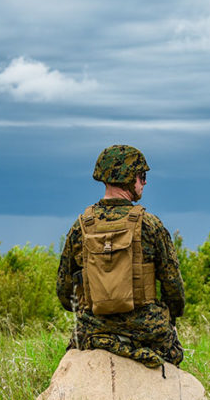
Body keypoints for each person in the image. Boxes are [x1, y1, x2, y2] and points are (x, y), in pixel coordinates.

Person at [56, 145, 185, 368]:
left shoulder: (81, 226)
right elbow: (174, 289)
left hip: (93, 331)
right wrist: (170, 319)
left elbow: (64, 291)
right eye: (141, 176)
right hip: (147, 332)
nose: (144, 182)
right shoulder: (150, 225)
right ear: (127, 178)